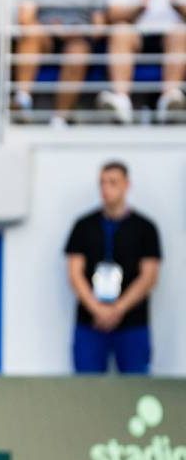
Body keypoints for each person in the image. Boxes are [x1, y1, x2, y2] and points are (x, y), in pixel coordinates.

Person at [64, 160, 161, 373]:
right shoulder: (84, 226)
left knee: (134, 385)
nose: (106, 188)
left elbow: (149, 276)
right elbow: (74, 273)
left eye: (113, 182)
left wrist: (117, 310)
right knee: (86, 388)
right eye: (102, 183)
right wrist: (98, 310)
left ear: (126, 185)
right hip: (90, 322)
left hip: (132, 322)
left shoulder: (145, 228)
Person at [14, 0, 108, 127]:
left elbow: (99, 26)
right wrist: (51, 28)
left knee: (77, 52)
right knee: (31, 33)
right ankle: (22, 100)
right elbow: (25, 18)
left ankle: (60, 118)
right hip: (45, 37)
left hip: (78, 38)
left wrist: (76, 31)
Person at [98, 0, 186, 124]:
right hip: (137, 35)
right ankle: (121, 101)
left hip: (175, 37)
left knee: (180, 31)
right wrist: (138, 8)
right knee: (120, 31)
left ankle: (170, 100)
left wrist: (179, 6)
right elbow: (113, 14)